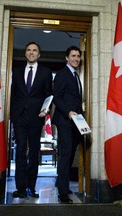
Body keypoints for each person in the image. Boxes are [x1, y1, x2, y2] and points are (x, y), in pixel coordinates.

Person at [10, 42, 52, 198]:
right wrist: (13, 115)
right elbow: (13, 94)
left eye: (35, 50)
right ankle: (20, 188)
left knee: (34, 152)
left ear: (39, 54)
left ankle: (31, 188)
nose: (31, 52)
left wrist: (45, 109)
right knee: (20, 150)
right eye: (29, 50)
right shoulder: (17, 71)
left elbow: (49, 94)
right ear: (25, 53)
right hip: (19, 117)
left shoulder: (46, 72)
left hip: (36, 117)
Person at [52, 46, 83, 204]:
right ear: (66, 58)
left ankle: (61, 182)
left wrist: (81, 115)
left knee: (70, 153)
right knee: (66, 154)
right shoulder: (62, 74)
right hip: (65, 120)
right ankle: (62, 193)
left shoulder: (75, 76)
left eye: (78, 56)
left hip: (76, 122)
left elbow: (74, 98)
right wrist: (69, 112)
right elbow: (57, 97)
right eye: (73, 56)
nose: (76, 58)